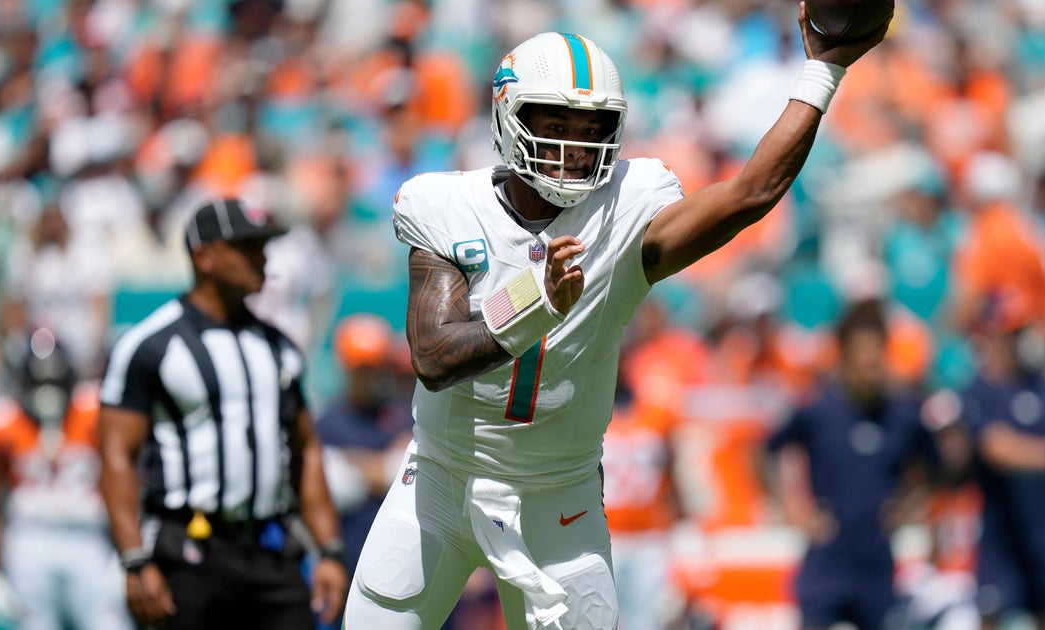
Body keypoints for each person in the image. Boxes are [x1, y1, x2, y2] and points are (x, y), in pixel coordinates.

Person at [343, 6, 889, 629]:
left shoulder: (630, 206)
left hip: (558, 492)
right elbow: (434, 356)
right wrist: (532, 300)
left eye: (591, 127)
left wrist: (823, 72)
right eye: (555, 124)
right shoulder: (445, 204)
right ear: (507, 118)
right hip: (441, 481)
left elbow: (750, 193)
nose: (574, 148)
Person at [96, 199, 348, 630]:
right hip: (188, 553)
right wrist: (135, 559)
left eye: (264, 246)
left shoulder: (280, 348)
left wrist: (329, 549)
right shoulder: (151, 344)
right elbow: (117, 455)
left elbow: (306, 451)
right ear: (204, 256)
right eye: (246, 247)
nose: (262, 258)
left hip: (273, 551)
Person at [764, 299, 935, 630]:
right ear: (845, 356)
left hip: (877, 562)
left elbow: (934, 464)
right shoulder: (819, 410)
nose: (872, 361)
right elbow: (767, 448)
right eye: (863, 352)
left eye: (877, 351)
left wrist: (911, 505)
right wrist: (789, 506)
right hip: (827, 558)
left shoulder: (902, 414)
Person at [0, 327, 130, 630]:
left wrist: (126, 551)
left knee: (107, 623)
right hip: (30, 537)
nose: (47, 394)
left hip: (87, 537)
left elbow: (125, 480)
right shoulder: (0, 423)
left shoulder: (93, 412)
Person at [958, 297, 1045, 630]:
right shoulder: (980, 391)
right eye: (1012, 332)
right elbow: (995, 446)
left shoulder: (1042, 386)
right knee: (993, 617)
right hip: (1003, 538)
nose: (1020, 340)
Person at [316, 313, 413, 576]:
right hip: (350, 553)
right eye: (362, 368)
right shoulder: (328, 424)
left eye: (376, 366)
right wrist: (384, 467)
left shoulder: (402, 416)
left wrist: (354, 465)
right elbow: (327, 486)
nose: (370, 377)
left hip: (400, 554)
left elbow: (412, 475)